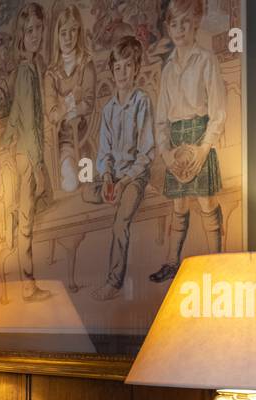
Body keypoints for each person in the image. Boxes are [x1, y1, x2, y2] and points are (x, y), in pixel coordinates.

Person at [150, 0, 227, 284]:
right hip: (176, 140)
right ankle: (172, 261)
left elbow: (218, 110)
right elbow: (161, 119)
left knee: (206, 202)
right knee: (179, 205)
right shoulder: (168, 69)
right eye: (174, 24)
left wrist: (204, 147)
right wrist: (166, 153)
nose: (180, 29)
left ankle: (217, 261)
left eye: (185, 22)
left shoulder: (206, 60)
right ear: (168, 28)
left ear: (194, 24)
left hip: (198, 137)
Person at [82, 35, 155, 300]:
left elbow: (146, 152)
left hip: (135, 177)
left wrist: (124, 182)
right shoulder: (109, 109)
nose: (122, 72)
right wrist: (109, 176)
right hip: (115, 177)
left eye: (128, 66)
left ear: (136, 69)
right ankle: (109, 194)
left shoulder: (142, 102)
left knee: (120, 221)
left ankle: (114, 281)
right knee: (87, 193)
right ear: (112, 72)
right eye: (118, 67)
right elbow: (104, 152)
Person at [1, 2, 52, 302]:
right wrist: (40, 165)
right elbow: (28, 122)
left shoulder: (32, 68)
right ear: (22, 34)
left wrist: (6, 137)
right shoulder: (25, 72)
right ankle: (27, 284)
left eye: (38, 29)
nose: (35, 35)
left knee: (27, 218)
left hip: (24, 153)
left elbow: (17, 117)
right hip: (28, 157)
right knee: (27, 220)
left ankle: (27, 281)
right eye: (29, 30)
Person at [44, 4, 97, 195]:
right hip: (64, 143)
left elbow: (89, 102)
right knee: (71, 184)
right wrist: (71, 100)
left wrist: (70, 109)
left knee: (88, 182)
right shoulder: (52, 74)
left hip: (85, 139)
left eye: (73, 31)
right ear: (57, 35)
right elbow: (52, 114)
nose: (68, 38)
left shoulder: (86, 64)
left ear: (79, 32)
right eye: (63, 32)